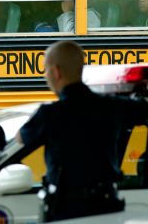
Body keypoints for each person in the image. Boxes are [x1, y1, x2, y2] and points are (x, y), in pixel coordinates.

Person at [16, 40, 148, 222]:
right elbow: (143, 110)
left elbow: (22, 138)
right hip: (108, 207)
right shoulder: (112, 106)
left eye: (46, 71)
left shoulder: (50, 114)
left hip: (68, 212)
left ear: (56, 72)